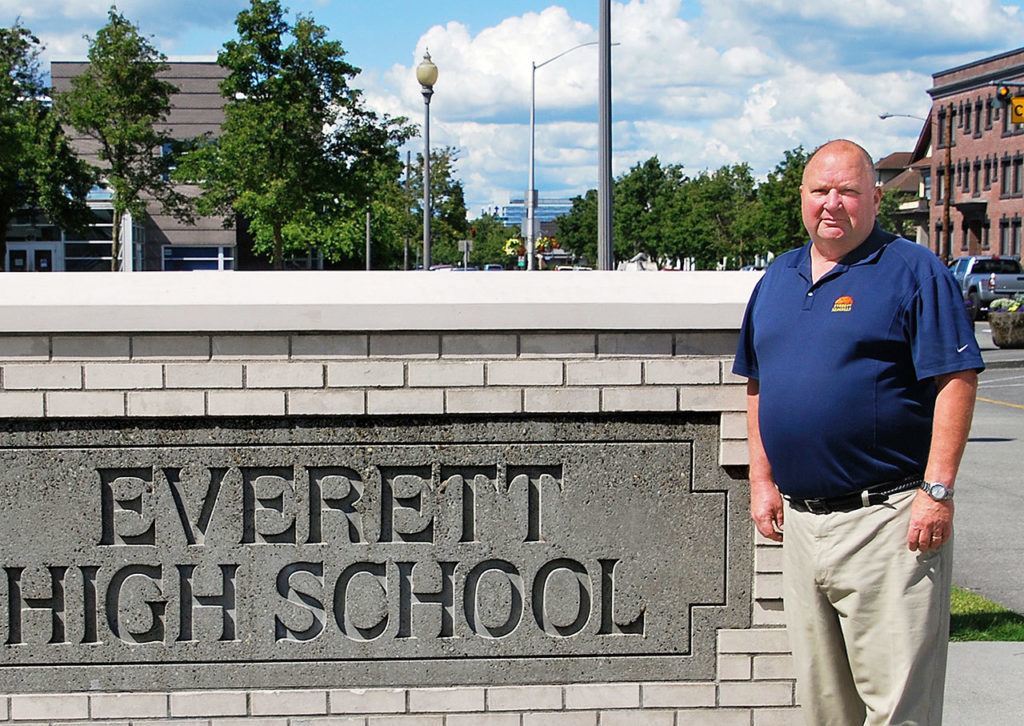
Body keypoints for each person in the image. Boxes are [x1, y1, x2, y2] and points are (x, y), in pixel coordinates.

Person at [733, 139, 983, 726]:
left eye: (848, 191)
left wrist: (938, 491)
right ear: (801, 197)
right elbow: (759, 385)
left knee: (898, 709)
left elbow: (956, 379)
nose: (832, 203)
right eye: (820, 190)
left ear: (875, 197)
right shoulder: (778, 277)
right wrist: (761, 482)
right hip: (802, 524)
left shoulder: (914, 271)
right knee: (825, 709)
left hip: (888, 523)